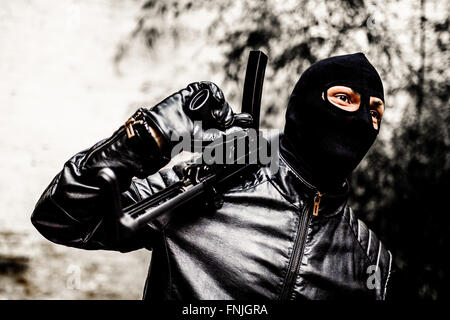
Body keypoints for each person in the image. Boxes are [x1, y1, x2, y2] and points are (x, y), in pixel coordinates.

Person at [31, 52, 394, 300]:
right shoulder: (210, 184)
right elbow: (60, 217)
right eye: (345, 99)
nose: (364, 120)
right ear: (303, 105)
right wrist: (145, 140)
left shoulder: (373, 263)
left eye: (375, 111)